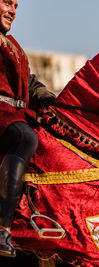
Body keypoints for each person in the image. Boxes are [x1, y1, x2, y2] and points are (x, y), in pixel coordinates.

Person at [0, 0, 55, 257]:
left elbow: (28, 82)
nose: (12, 11)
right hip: (3, 115)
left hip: (17, 112)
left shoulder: (14, 46)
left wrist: (45, 96)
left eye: (16, 6)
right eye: (7, 3)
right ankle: (2, 229)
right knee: (24, 137)